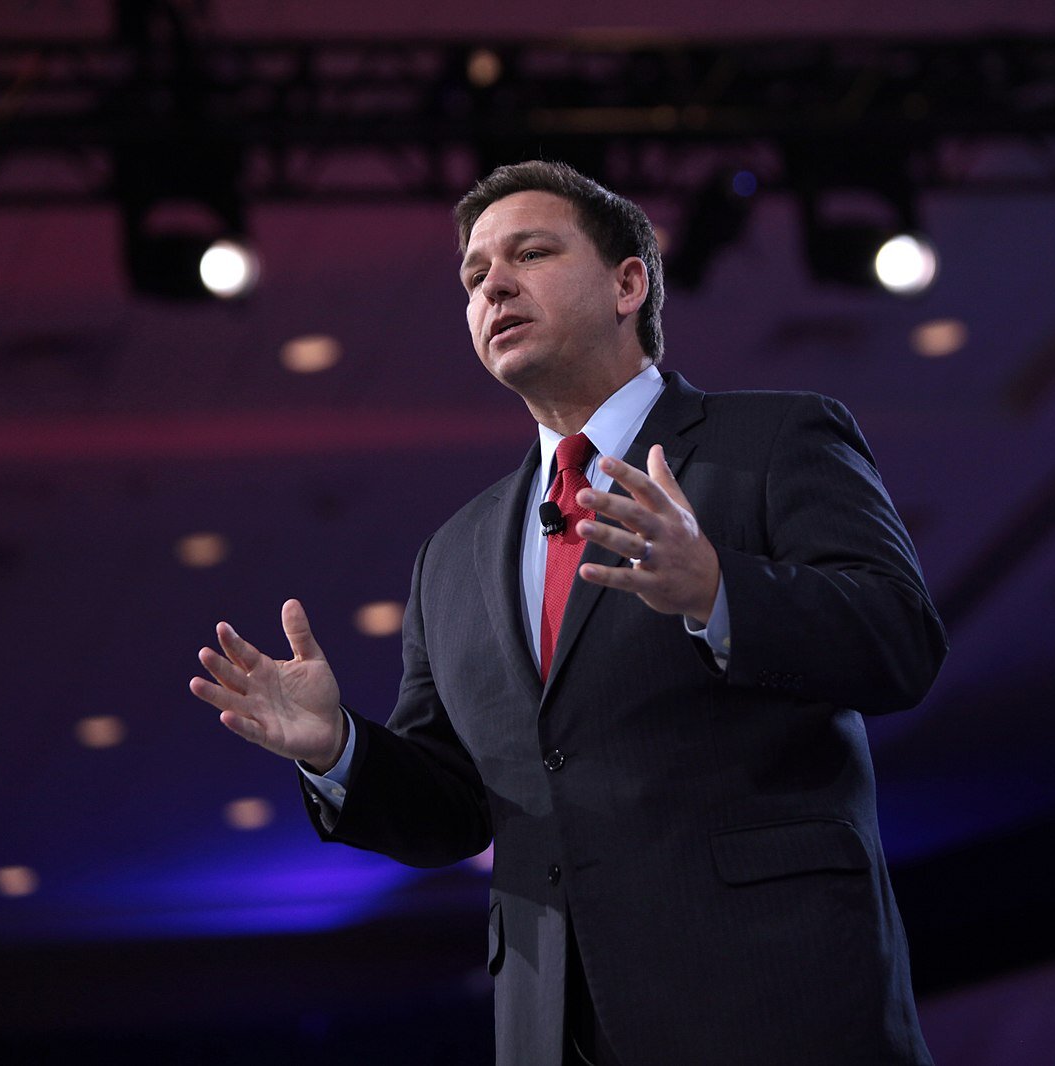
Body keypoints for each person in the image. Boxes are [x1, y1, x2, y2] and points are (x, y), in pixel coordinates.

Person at [188, 160, 948, 1065]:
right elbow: (458, 807)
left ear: (629, 282)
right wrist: (338, 749)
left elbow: (899, 641)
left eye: (531, 253)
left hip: (774, 1003)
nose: (492, 285)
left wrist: (718, 591)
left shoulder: (775, 441)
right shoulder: (453, 555)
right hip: (556, 1028)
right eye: (473, 277)